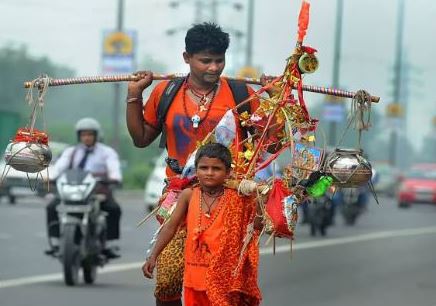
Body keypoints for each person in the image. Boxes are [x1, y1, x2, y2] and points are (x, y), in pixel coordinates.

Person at [126, 22, 267, 305]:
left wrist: (276, 98)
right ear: (186, 58)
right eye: (205, 61)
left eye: (219, 60)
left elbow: (268, 141)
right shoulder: (166, 93)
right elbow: (141, 138)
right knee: (167, 282)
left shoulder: (241, 95)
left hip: (227, 198)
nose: (214, 68)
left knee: (222, 283)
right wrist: (134, 94)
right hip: (178, 195)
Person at [142, 143, 262, 306]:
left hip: (223, 278)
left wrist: (261, 201)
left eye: (216, 169)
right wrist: (153, 255)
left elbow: (256, 226)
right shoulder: (188, 195)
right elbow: (170, 227)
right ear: (196, 170)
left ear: (228, 173)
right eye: (204, 168)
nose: (209, 173)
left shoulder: (237, 198)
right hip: (194, 277)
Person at [45, 117, 122, 259]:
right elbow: (60, 167)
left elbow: (113, 168)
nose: (86, 138)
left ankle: (110, 244)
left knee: (114, 209)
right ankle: (55, 242)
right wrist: (51, 178)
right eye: (83, 134)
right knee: (51, 206)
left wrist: (114, 178)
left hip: (97, 190)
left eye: (90, 134)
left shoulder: (106, 152)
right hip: (74, 189)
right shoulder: (71, 152)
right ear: (79, 136)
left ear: (96, 135)